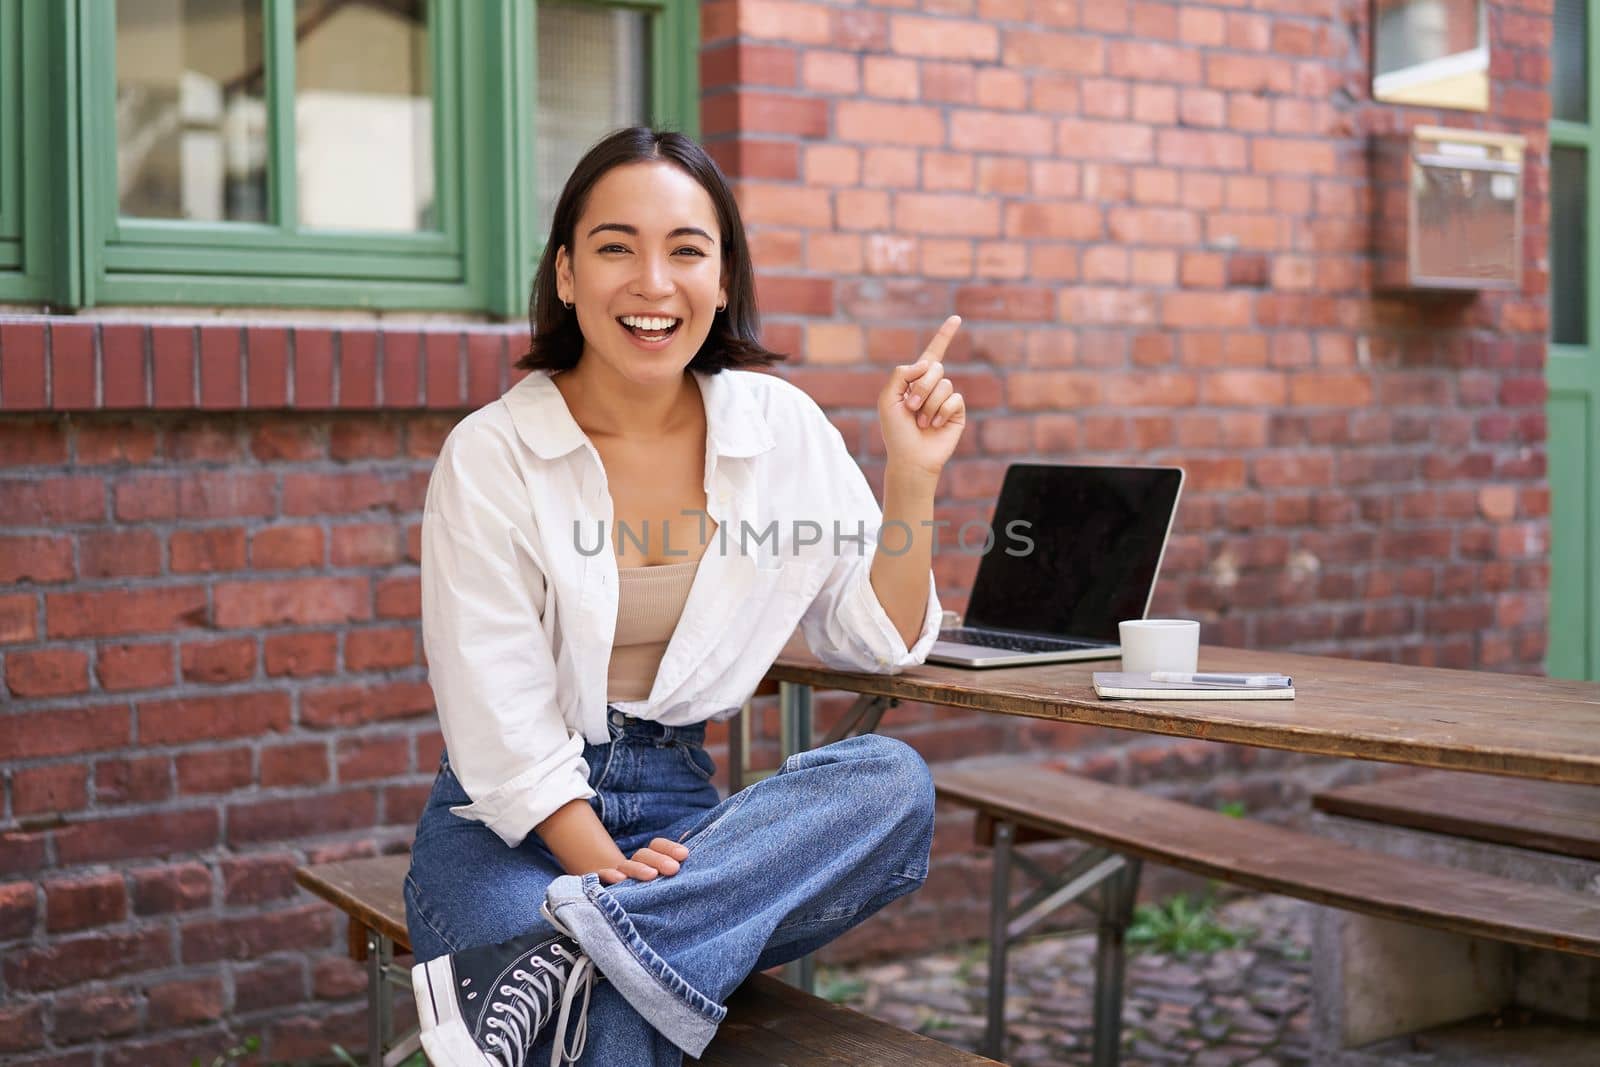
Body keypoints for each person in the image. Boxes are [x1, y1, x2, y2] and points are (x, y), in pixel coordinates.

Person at [404, 126, 968, 1067]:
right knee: (620, 1017)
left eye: (686, 251)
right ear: (568, 273)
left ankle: (579, 951)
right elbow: (492, 702)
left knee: (892, 785)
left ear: (723, 275)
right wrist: (597, 862)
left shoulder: (779, 427)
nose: (653, 283)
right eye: (616, 246)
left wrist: (912, 476)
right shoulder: (492, 454)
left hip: (688, 828)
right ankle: (617, 949)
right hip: (511, 828)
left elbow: (879, 643)